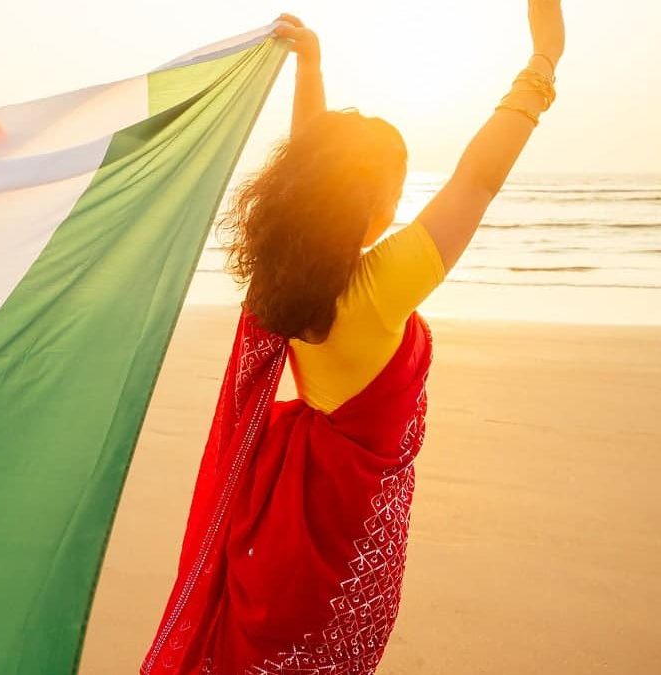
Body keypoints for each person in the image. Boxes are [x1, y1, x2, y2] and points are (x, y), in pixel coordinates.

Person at [142, 2, 565, 673]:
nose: (399, 210)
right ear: (368, 208)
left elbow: (313, 171)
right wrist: (544, 63)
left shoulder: (283, 281)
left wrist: (311, 68)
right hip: (339, 540)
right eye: (394, 195)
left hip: (287, 530)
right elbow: (477, 180)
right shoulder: (378, 289)